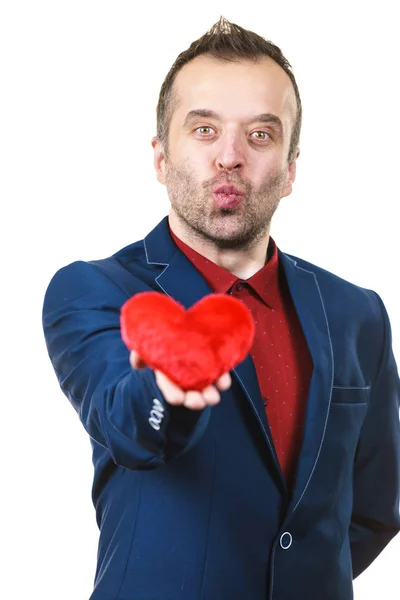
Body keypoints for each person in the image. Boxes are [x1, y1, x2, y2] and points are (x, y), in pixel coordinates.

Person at [42, 16, 400, 600]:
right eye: (204, 129)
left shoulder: (358, 313)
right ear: (160, 158)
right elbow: (127, 426)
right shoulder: (93, 290)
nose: (230, 156)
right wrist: (168, 384)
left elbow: (377, 507)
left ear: (290, 170)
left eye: (260, 134)